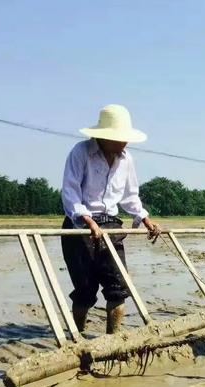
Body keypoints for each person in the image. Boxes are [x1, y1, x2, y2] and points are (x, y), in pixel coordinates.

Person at [61, 104, 160, 334]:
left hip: (111, 225)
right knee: (85, 289)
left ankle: (113, 341)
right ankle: (78, 337)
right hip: (80, 227)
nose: (124, 143)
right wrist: (87, 220)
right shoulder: (81, 153)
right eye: (119, 138)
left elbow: (130, 196)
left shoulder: (126, 159)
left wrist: (145, 219)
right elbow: (70, 192)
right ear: (103, 136)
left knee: (118, 286)